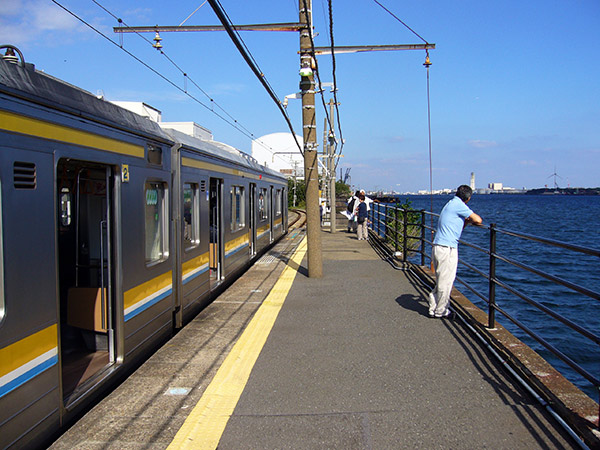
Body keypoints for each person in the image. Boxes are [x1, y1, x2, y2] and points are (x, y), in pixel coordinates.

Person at [428, 185, 482, 318]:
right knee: (446, 281)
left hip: (439, 245)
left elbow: (458, 227)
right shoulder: (459, 205)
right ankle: (441, 311)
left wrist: (466, 222)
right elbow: (478, 219)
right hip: (447, 248)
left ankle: (434, 307)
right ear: (468, 198)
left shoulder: (450, 204)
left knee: (441, 279)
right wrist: (471, 221)